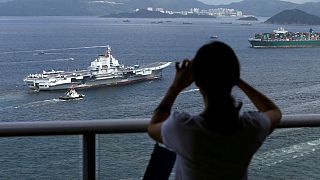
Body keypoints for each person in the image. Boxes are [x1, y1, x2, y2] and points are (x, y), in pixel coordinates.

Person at [147, 41, 282, 180]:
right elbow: (274, 111)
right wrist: (237, 79)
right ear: (234, 76)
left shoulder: (183, 128)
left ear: (197, 82)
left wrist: (175, 87)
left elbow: (153, 127)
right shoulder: (251, 127)